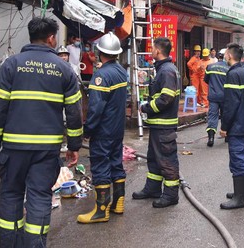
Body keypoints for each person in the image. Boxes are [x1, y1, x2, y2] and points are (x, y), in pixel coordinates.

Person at [0, 17, 83, 247]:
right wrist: (74, 146)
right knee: (40, 197)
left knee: (11, 195)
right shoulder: (64, 69)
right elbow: (75, 112)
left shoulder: (11, 65)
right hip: (46, 150)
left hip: (13, 148)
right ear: (50, 38)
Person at [77, 32, 128, 224]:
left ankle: (101, 211)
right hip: (117, 130)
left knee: (100, 166)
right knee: (116, 162)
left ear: (100, 52)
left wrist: (88, 130)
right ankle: (118, 203)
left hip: (103, 130)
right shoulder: (121, 71)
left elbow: (96, 108)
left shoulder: (101, 75)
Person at [133, 37, 181, 208]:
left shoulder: (167, 70)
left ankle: (170, 195)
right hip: (158, 125)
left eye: (153, 48)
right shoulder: (163, 69)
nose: (151, 51)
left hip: (164, 125)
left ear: (158, 51)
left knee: (166, 160)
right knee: (154, 159)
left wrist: (146, 108)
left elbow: (166, 98)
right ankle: (152, 188)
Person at [219, 43, 244, 209]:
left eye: (226, 53)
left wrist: (225, 126)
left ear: (230, 55)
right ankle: (243, 192)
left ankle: (239, 199)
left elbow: (230, 103)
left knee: (238, 160)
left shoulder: (233, 74)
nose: (224, 56)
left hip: (238, 127)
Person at [204, 50, 229, 147]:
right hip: (225, 96)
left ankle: (211, 138)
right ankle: (227, 136)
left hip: (213, 96)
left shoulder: (210, 67)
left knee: (212, 116)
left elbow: (206, 80)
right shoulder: (228, 68)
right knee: (225, 116)